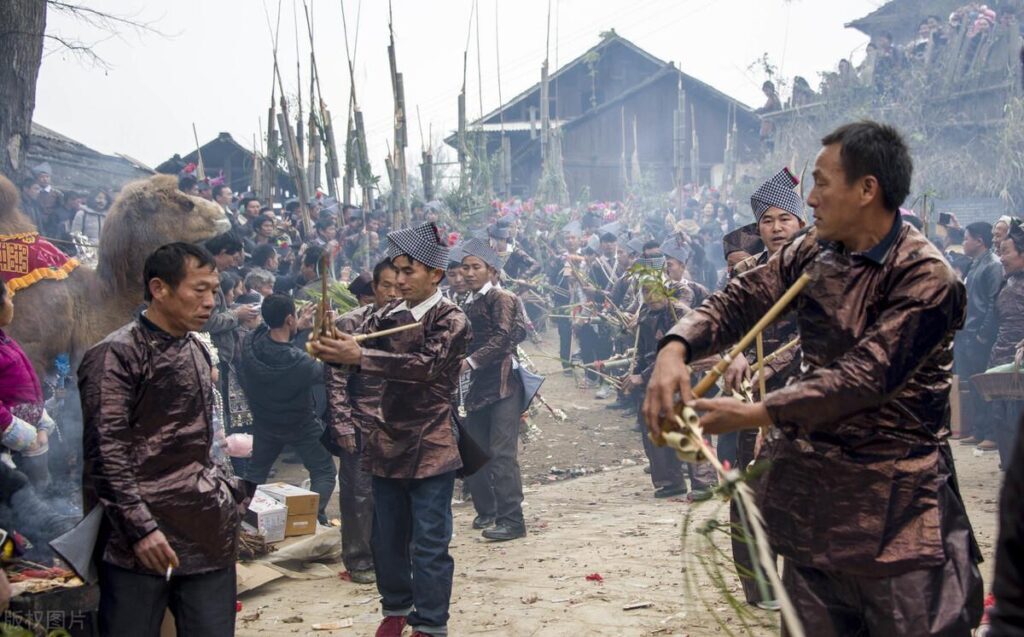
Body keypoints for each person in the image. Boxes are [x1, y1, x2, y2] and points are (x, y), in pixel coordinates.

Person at [644, 121, 983, 635]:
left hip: (899, 509)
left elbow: (866, 376)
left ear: (867, 189)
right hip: (817, 506)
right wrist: (676, 346)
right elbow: (746, 295)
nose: (811, 199)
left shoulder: (928, 277)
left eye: (822, 183)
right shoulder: (816, 250)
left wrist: (760, 412)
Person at [310, 221, 470, 637]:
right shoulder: (386, 315)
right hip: (384, 443)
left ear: (435, 274)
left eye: (407, 271)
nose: (398, 280)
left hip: (432, 444)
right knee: (387, 540)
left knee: (431, 544)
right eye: (395, 271)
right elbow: (352, 358)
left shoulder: (451, 320)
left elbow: (424, 367)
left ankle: (431, 623)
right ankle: (396, 606)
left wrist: (358, 356)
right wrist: (328, 345)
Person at [79, 242, 245, 636]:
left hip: (205, 526)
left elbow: (205, 444)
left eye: (214, 290)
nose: (210, 301)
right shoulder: (116, 355)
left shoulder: (197, 350)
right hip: (139, 539)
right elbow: (106, 454)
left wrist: (226, 497)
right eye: (198, 289)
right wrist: (141, 529)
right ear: (159, 288)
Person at [721, 168, 806, 608]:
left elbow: (815, 335)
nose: (775, 228)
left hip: (804, 392)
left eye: (784, 219)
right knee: (748, 490)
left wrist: (769, 366)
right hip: (749, 398)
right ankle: (760, 586)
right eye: (767, 221)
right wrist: (733, 353)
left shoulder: (820, 267)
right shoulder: (745, 272)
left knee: (801, 490)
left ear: (800, 222)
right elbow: (724, 323)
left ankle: (804, 587)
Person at [325, 259, 399, 585]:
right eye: (387, 286)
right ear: (375, 289)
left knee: (399, 492)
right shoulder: (349, 324)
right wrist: (342, 425)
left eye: (401, 286)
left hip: (401, 423)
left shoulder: (416, 324)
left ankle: (393, 554)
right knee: (358, 495)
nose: (394, 293)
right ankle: (359, 559)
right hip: (359, 419)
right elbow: (336, 381)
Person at [240, 294, 336, 523]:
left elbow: (270, 331)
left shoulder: (250, 343)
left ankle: (242, 518)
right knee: (324, 472)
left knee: (255, 474)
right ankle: (308, 517)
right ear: (290, 319)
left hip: (265, 422)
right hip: (300, 423)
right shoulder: (300, 363)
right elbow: (327, 372)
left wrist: (298, 328)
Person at [459, 238, 527, 541]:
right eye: (465, 268)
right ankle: (487, 511)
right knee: (473, 453)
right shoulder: (467, 302)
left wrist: (469, 362)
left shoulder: (501, 297)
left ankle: (512, 520)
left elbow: (503, 337)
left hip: (502, 384)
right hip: (476, 387)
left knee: (501, 453)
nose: (469, 273)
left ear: (492, 270)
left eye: (476, 267)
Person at [0, 280, 52, 489]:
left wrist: (40, 417)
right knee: (20, 495)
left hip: (29, 435)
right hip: (11, 443)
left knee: (39, 487)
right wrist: (20, 434)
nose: (12, 301)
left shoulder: (4, 339)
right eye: (7, 296)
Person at [979, 222, 1024, 465]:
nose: (1001, 257)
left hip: (1020, 359)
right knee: (1002, 413)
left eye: (1006, 251)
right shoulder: (1007, 281)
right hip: (1002, 358)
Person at [956, 221, 1001, 446]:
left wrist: (983, 334)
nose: (963, 243)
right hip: (968, 333)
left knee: (986, 384)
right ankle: (979, 429)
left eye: (965, 238)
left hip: (980, 336)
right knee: (973, 384)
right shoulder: (974, 265)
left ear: (979, 240)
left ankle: (992, 433)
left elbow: (994, 302)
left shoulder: (992, 265)